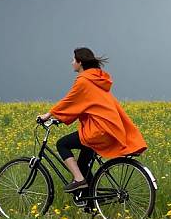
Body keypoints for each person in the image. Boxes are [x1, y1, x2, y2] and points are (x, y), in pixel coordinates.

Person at [38, 47, 147, 193]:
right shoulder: (97, 79)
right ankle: (90, 203)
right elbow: (85, 105)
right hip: (106, 128)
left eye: (73, 60)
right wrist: (62, 117)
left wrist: (49, 114)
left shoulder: (84, 81)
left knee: (62, 144)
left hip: (97, 130)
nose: (71, 63)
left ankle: (78, 179)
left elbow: (70, 102)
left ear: (80, 62)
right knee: (83, 165)